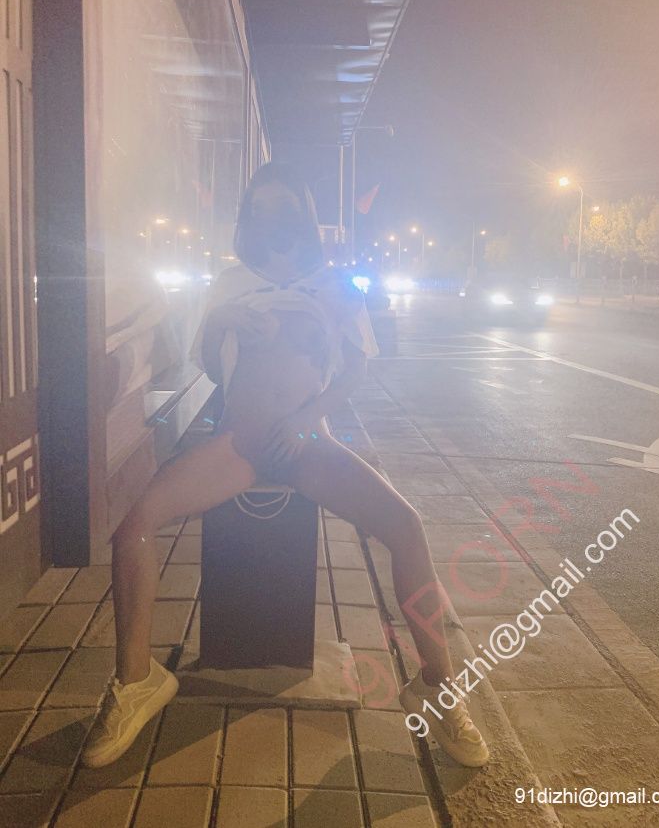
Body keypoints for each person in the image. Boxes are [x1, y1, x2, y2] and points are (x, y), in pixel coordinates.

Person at [81, 162, 489, 769]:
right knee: (134, 522)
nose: (273, 219)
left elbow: (355, 368)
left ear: (306, 214)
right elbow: (215, 370)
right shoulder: (229, 281)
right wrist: (220, 322)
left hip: (308, 443)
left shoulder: (335, 283)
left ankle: (438, 684)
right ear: (247, 218)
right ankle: (136, 681)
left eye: (285, 207)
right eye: (261, 208)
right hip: (238, 443)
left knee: (406, 527)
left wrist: (305, 420)